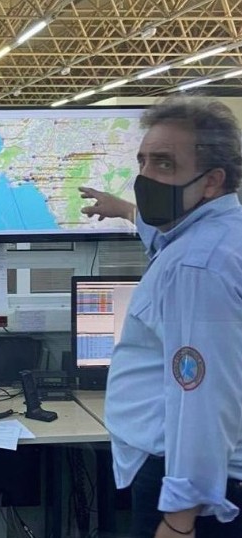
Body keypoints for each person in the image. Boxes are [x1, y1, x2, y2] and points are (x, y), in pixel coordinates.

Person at [80, 95, 242, 538]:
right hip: (198, 476)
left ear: (212, 181)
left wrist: (179, 519)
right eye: (143, 161)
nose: (145, 177)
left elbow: (202, 400)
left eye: (164, 164)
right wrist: (124, 210)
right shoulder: (217, 232)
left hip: (188, 490)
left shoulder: (198, 267)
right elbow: (164, 236)